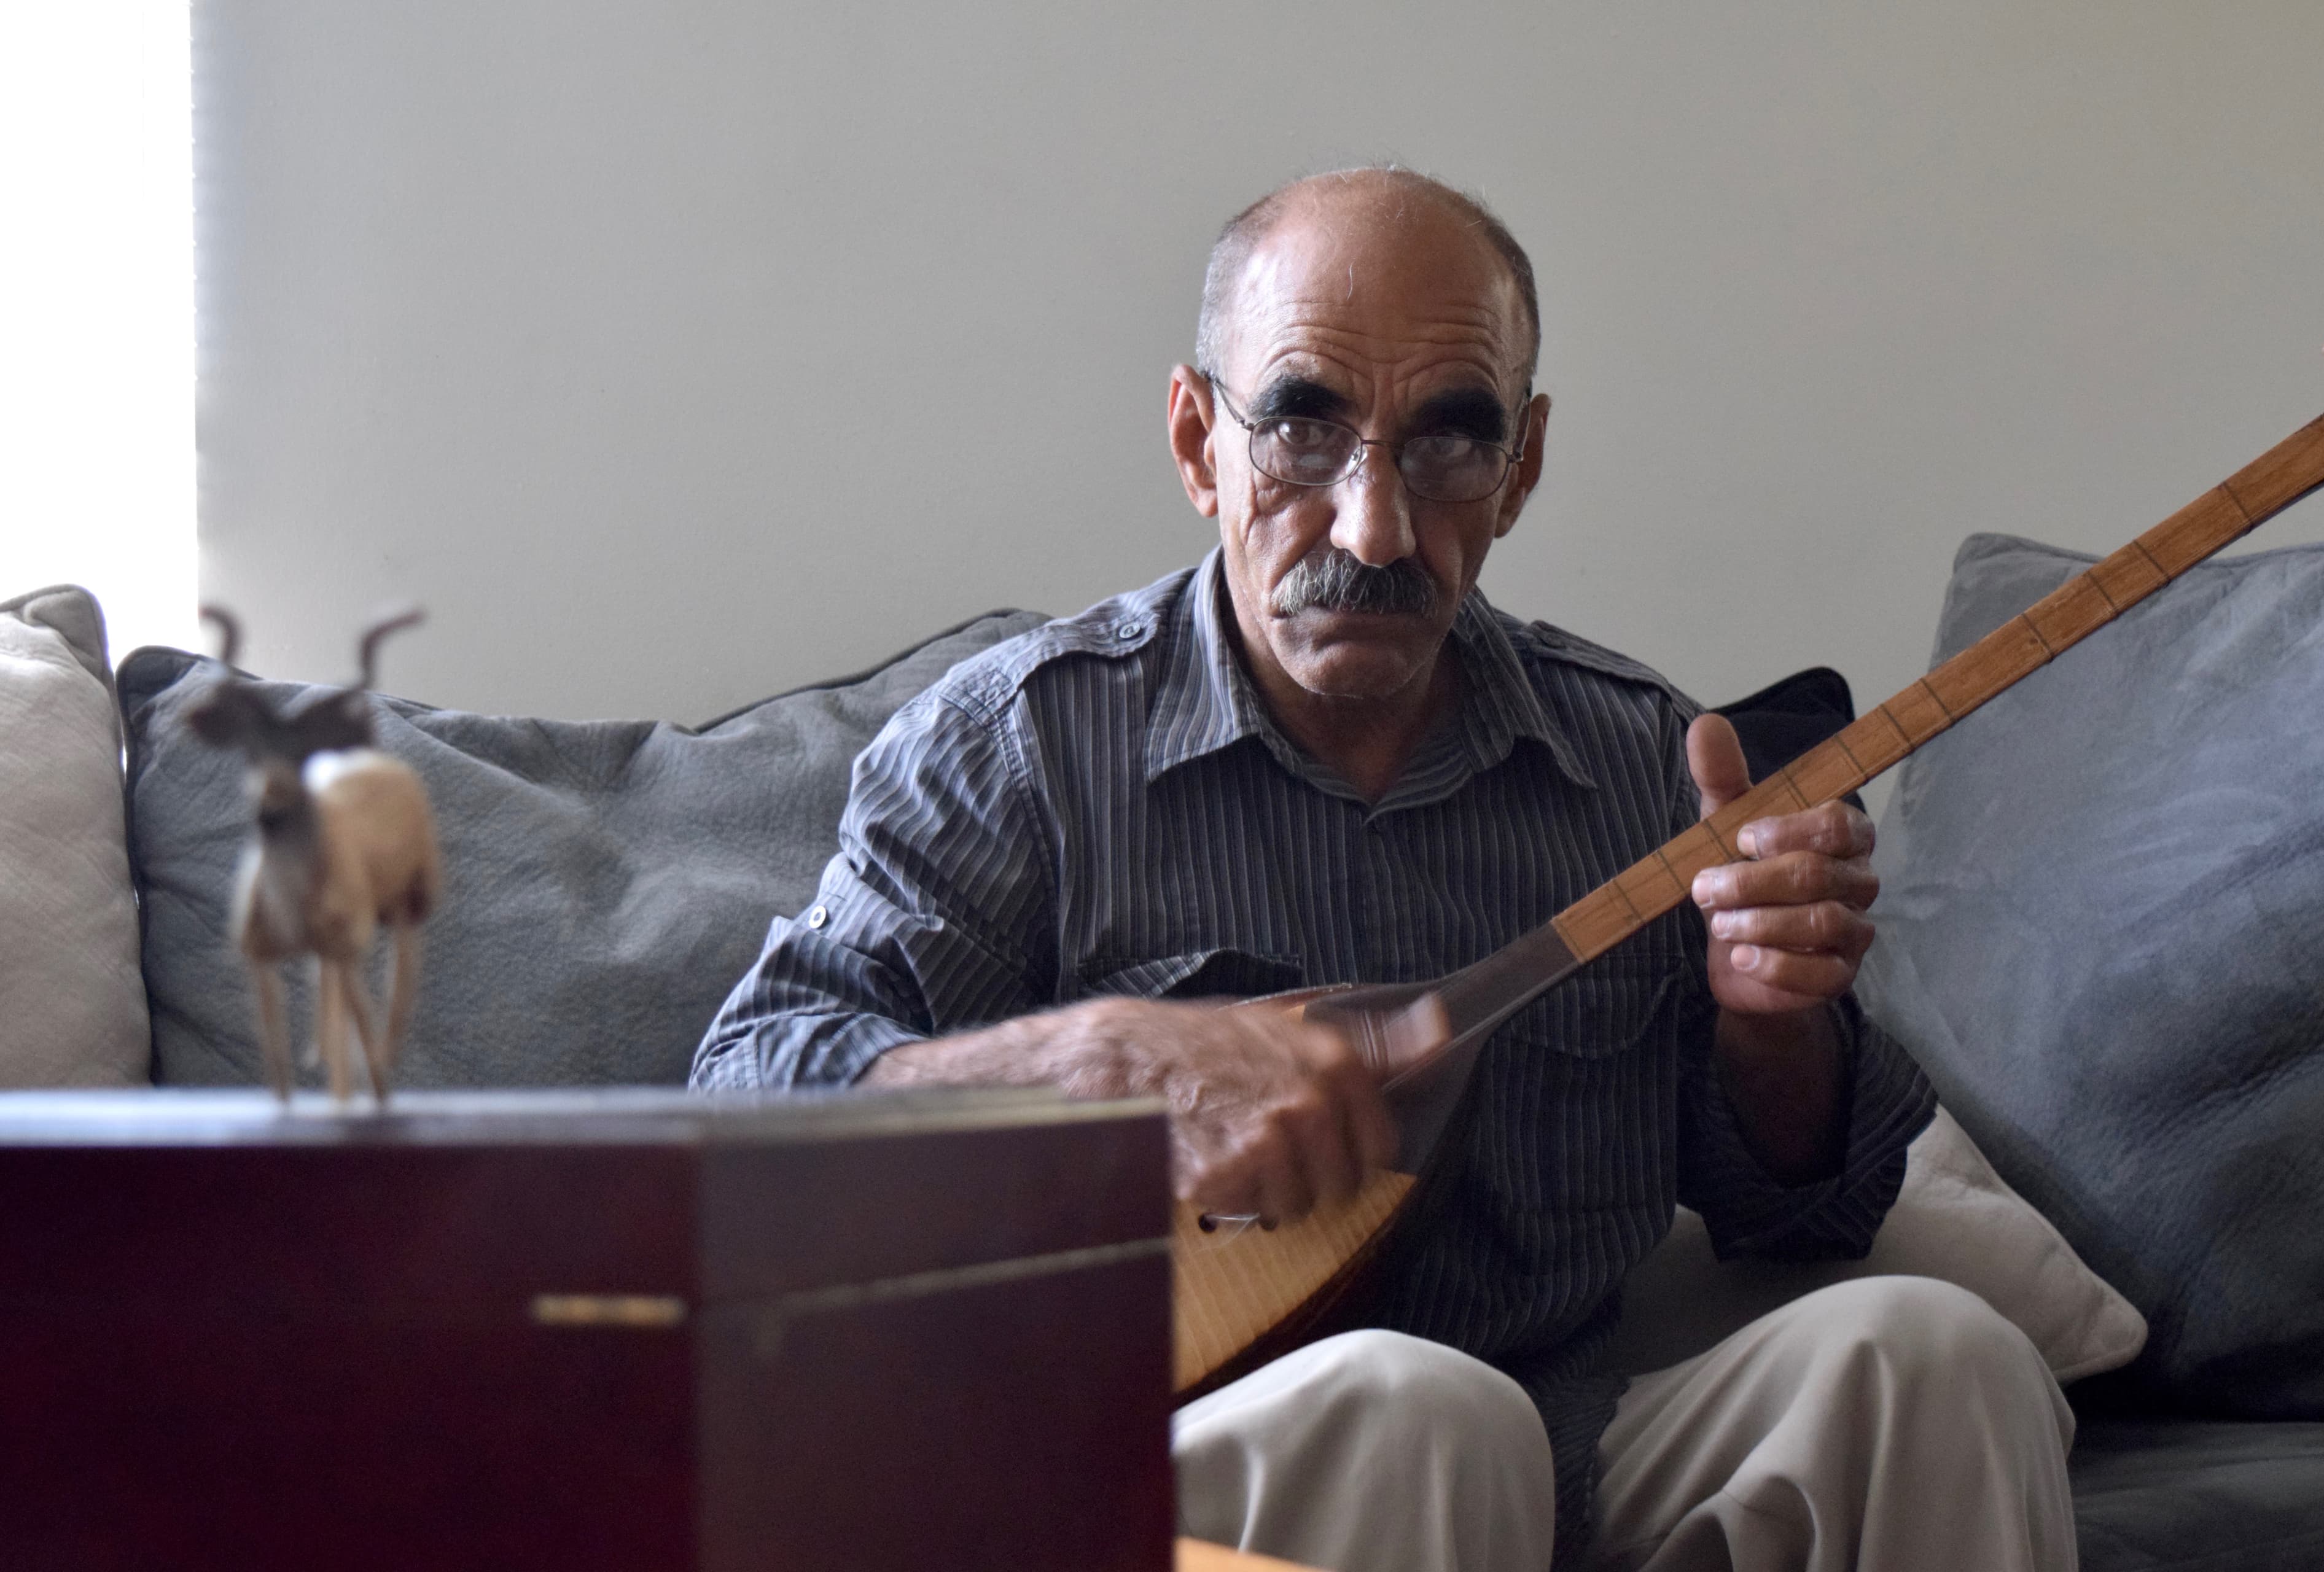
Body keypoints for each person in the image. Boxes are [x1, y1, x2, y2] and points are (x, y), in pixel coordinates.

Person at [692, 168, 2077, 1572]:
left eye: (1447, 445)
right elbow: (743, 1109)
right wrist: (1095, 1060)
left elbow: (1808, 1210)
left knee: (1938, 1355)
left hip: (1569, 1428)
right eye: (1304, 428)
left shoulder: (1638, 759)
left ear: (1522, 467)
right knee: (1418, 1411)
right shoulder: (1022, 747)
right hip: (1165, 1461)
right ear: (1196, 441)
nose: (1375, 529)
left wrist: (1770, 1023)